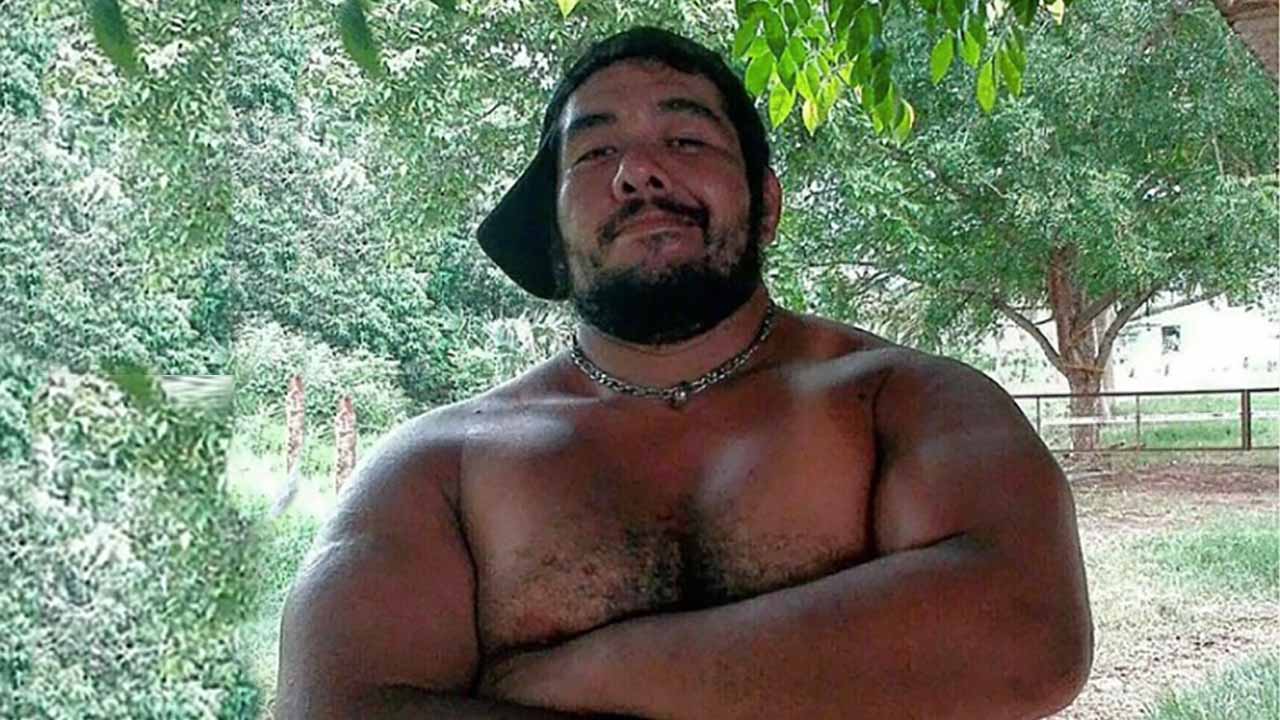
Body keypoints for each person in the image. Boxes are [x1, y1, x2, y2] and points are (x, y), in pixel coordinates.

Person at [276, 26, 1093, 719]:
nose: (638, 172)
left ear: (766, 205)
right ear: (555, 235)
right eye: (596, 151)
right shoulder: (438, 466)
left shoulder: (907, 401)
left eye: (687, 140)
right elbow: (341, 709)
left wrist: (583, 675)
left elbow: (1028, 633)